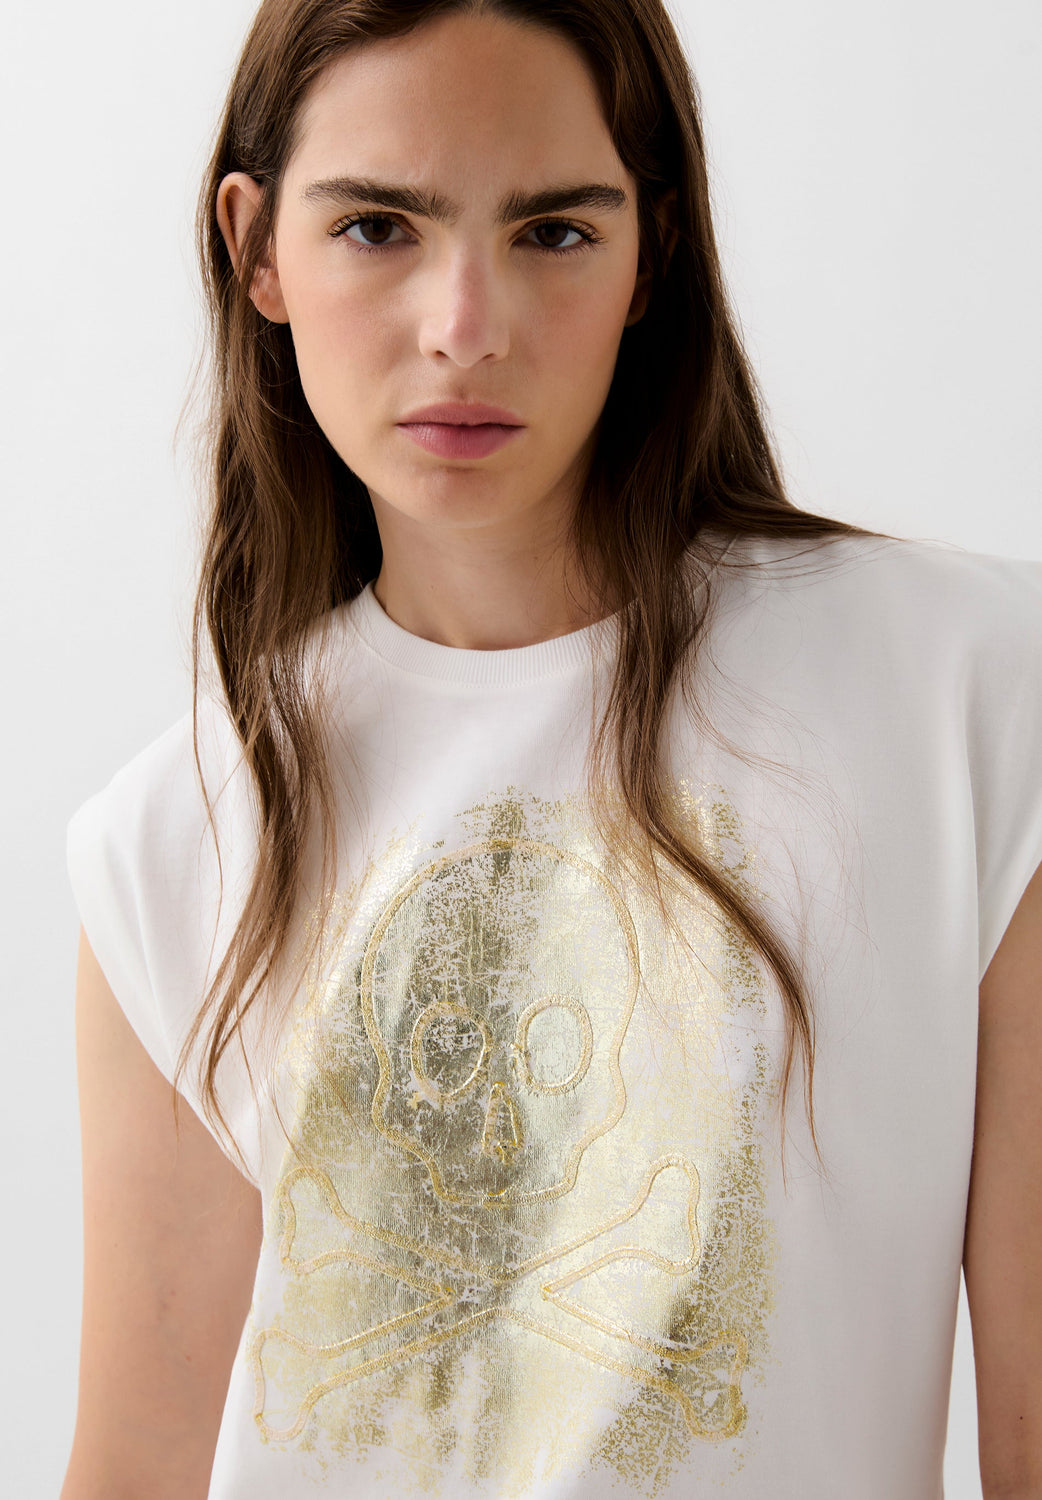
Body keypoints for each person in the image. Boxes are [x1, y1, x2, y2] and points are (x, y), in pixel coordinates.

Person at [61, 1, 1042, 1497]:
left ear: (652, 249)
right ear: (255, 248)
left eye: (554, 232)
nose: (466, 325)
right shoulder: (179, 838)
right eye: (377, 227)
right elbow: (135, 1467)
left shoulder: (963, 697)